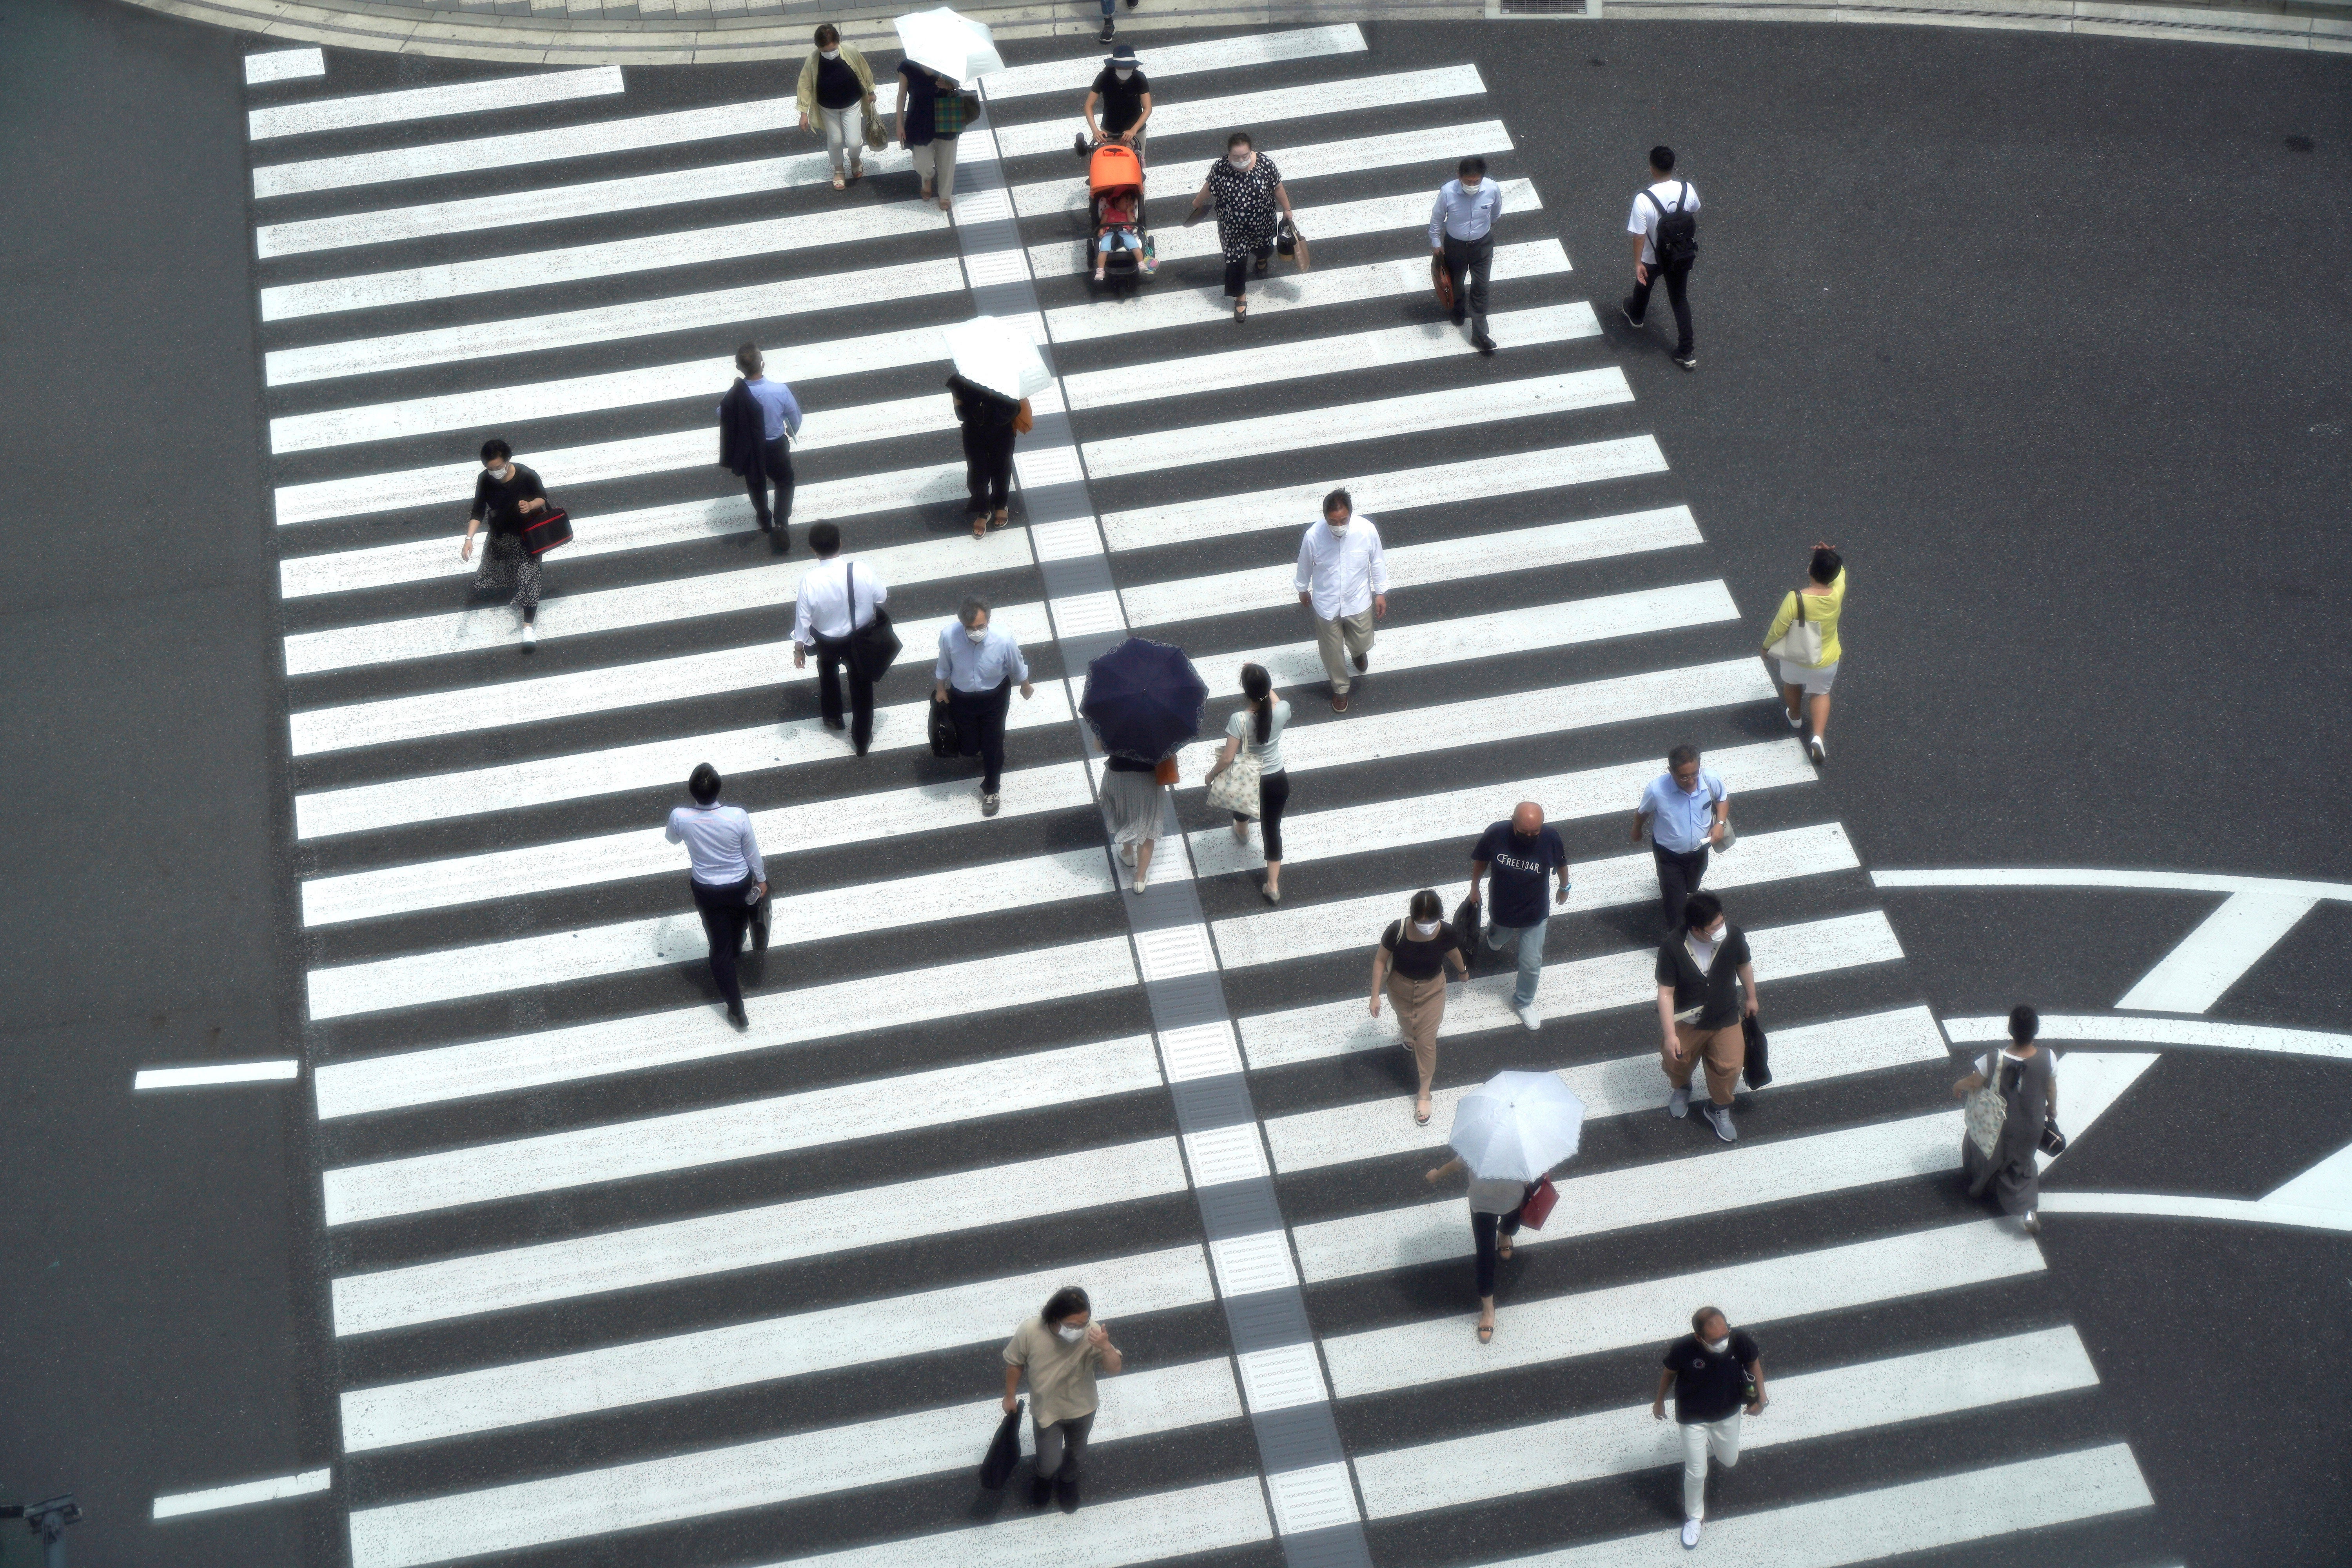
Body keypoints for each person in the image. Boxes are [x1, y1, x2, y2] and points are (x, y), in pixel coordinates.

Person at [1652, 1306, 1766, 1549]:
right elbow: (1669, 1373)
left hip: (1728, 1413)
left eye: (1726, 1335)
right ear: (1699, 1338)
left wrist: (1761, 1399)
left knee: (1729, 1460)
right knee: (1696, 1472)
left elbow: (1753, 1364)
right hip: (1693, 1418)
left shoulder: (1740, 1340)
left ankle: (1715, 1443)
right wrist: (1659, 1400)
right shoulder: (1683, 1349)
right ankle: (1695, 1517)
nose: (1723, 1342)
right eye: (1715, 1340)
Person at [1002, 1286, 1124, 1513]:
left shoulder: (1093, 1334)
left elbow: (1114, 1369)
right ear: (1055, 1317)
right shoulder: (1030, 1331)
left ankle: (1068, 1482)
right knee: (1049, 1462)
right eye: (1072, 1326)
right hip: (1047, 1410)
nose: (1078, 1330)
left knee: (1077, 1455)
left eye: (1083, 1324)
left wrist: (1106, 1347)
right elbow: (1015, 1363)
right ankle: (1044, 1479)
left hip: (1083, 1408)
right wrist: (1009, 1396)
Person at [665, 763, 767, 1029]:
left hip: (707, 889)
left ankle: (736, 1010)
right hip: (740, 885)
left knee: (717, 947)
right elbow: (751, 853)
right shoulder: (737, 817)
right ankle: (738, 944)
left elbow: (672, 840)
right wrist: (762, 880)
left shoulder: (680, 817)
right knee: (739, 921)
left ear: (692, 792)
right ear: (720, 788)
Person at [1655, 892, 1757, 1143]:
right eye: (1715, 927)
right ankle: (1682, 1087)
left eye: (1721, 922)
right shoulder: (1672, 947)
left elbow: (1743, 965)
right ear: (1697, 930)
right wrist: (1670, 1035)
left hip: (1725, 1016)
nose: (1722, 928)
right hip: (1688, 1022)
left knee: (1731, 1066)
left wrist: (1752, 997)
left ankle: (1718, 1108)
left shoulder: (1733, 936)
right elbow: (1666, 992)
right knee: (1677, 1061)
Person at [1952, 1004, 2057, 1237]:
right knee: (2023, 1166)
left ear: (2010, 1029)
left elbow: (1974, 1082)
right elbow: (2051, 1088)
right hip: (2031, 1125)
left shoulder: (1993, 1059)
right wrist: (2053, 1111)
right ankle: (2028, 1213)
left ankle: (1979, 1188)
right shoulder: (2048, 1057)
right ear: (2036, 1030)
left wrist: (1958, 1086)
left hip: (1999, 1126)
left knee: (1984, 1152)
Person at [1467, 802, 1570, 1031]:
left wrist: (1565, 887)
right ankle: (1495, 938)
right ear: (1513, 823)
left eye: (1536, 832)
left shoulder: (1551, 837)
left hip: (1535, 912)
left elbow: (1561, 864)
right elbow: (1481, 862)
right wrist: (1475, 887)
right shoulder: (1496, 833)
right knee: (1497, 938)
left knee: (1532, 963)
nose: (1531, 837)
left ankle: (1523, 1002)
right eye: (1525, 832)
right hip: (1502, 908)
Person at [1371, 890, 1468, 1125]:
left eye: (1432, 922)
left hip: (1432, 990)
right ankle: (1409, 1033)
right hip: (1400, 988)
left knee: (1426, 1041)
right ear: (1412, 916)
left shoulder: (1446, 932)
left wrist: (1463, 970)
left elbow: (1453, 952)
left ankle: (1424, 1092)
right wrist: (1375, 995)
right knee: (1407, 1024)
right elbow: (1381, 960)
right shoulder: (1398, 930)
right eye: (1421, 922)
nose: (1427, 927)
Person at [790, 522, 886, 755]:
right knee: (862, 687)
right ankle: (862, 739)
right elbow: (881, 597)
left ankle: (833, 717)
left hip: (826, 641)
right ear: (840, 543)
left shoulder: (810, 580)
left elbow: (803, 619)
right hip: (859, 638)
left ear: (813, 550)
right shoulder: (860, 570)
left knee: (828, 675)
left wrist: (799, 649)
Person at [934, 596, 1034, 817]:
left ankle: (991, 789)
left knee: (993, 743)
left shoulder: (1003, 639)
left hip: (994, 697)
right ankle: (979, 751)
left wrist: (1025, 686)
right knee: (968, 747)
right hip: (962, 697)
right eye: (970, 628)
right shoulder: (949, 637)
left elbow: (1017, 665)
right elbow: (943, 664)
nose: (976, 631)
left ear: (989, 620)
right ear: (962, 624)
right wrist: (941, 689)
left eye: (981, 626)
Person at [1203, 662, 1290, 902]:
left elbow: (1228, 757)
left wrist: (1211, 775)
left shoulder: (1239, 719)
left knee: (1241, 801)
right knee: (1272, 828)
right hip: (1277, 779)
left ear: (1244, 691)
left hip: (1250, 778)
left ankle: (1242, 830)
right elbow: (1273, 700)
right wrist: (1263, 679)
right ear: (1269, 688)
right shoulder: (1282, 710)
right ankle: (1273, 885)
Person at [1294, 488, 1387, 713]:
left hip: (1358, 601)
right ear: (1325, 518)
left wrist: (1380, 592)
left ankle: (1358, 651)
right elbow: (1304, 564)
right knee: (1331, 651)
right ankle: (1340, 689)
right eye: (1333, 521)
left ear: (1351, 515)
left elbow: (1377, 560)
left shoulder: (1366, 531)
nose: (1338, 525)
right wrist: (1302, 589)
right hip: (1327, 605)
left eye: (1343, 520)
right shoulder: (1314, 537)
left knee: (1363, 641)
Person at [1424, 1154, 1534, 1343]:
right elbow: (1457, 1163)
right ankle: (1488, 1308)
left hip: (1514, 1202)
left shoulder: (1523, 1148)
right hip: (1482, 1206)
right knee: (1485, 1256)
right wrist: (1438, 1175)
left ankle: (1504, 1234)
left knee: (1510, 1226)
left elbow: (1537, 1170)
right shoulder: (1480, 1146)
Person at [1186, 132, 1295, 322]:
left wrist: (1287, 209)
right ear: (1229, 155)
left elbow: (1278, 187)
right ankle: (1240, 298)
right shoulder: (1220, 168)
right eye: (1236, 157)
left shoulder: (1265, 164)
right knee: (1235, 263)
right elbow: (1209, 186)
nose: (1241, 160)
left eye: (1245, 156)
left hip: (1262, 222)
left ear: (1251, 151)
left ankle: (1262, 260)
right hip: (1232, 228)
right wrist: (1197, 202)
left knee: (1264, 249)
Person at [460, 437, 550, 648]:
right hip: (501, 534)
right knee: (502, 571)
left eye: (499, 468)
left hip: (528, 534)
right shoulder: (485, 480)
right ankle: (518, 591)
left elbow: (543, 498)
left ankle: (528, 627)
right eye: (490, 469)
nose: (495, 472)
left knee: (530, 578)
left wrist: (531, 505)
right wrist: (469, 539)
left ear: (509, 460)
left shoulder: (526, 475)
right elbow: (478, 511)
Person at [1632, 744, 1730, 936]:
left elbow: (1722, 799)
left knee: (1692, 886)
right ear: (1671, 772)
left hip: (1700, 850)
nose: (1691, 781)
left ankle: (1681, 892)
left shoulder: (1710, 779)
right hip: (1669, 855)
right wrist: (1636, 830)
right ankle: (1678, 943)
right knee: (1675, 903)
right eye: (1684, 777)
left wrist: (1719, 823)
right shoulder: (1657, 790)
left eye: (1694, 774)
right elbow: (1642, 812)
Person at [1763, 543, 1847, 766]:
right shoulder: (1836, 594)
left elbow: (1779, 627)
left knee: (1792, 684)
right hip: (1826, 659)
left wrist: (1766, 647)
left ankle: (1796, 716)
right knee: (1821, 693)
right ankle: (1818, 736)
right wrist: (1831, 557)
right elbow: (1840, 575)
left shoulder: (1796, 598)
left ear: (1810, 570)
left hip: (1796, 656)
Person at [717, 342, 802, 548]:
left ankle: (764, 518)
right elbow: (795, 416)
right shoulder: (780, 391)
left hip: (750, 449)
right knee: (784, 481)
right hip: (776, 445)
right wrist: (792, 431)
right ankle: (781, 522)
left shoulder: (736, 394)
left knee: (755, 482)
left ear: (739, 368)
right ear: (763, 364)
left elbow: (722, 414)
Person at [1622, 144, 1700, 371]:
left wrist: (1638, 264)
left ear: (1651, 168)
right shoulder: (1687, 189)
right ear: (1673, 166)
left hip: (1653, 254)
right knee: (1679, 299)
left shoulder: (1643, 200)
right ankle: (1687, 352)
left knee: (1644, 282)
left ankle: (1637, 316)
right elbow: (1694, 210)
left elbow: (1639, 236)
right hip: (1679, 254)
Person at [1430, 154, 1502, 355]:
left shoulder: (1492, 189)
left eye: (1476, 181)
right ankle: (1457, 308)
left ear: (1482, 178)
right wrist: (1436, 243)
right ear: (1459, 177)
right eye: (1468, 181)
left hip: (1482, 246)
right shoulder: (1448, 192)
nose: (1472, 185)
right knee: (1457, 282)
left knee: (1482, 286)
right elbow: (1437, 219)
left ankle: (1480, 334)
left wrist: (1485, 229)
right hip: (1455, 246)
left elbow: (1496, 212)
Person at [795, 24, 876, 189]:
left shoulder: (851, 52)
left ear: (839, 42)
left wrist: (870, 91)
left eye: (832, 50)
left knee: (854, 142)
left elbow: (864, 70)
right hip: (827, 108)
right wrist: (803, 113)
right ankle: (839, 170)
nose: (829, 54)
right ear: (818, 48)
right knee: (835, 140)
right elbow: (805, 86)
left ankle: (855, 159)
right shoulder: (812, 61)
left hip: (852, 104)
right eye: (825, 51)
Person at [949, 374, 1019, 537]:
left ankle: (1001, 504)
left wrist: (997, 413)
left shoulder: (1007, 376)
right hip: (973, 431)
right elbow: (960, 413)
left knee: (1001, 467)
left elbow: (1016, 407)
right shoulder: (959, 381)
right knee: (977, 471)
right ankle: (983, 510)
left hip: (1002, 430)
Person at [895, 60, 964, 213]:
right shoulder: (908, 67)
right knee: (922, 161)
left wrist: (950, 85)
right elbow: (902, 96)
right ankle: (927, 177)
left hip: (947, 115)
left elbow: (957, 87)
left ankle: (945, 194)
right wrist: (899, 124)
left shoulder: (949, 61)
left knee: (947, 159)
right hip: (919, 118)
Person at [1098, 753, 1163, 893]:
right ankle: (1140, 878)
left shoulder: (1112, 729)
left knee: (1123, 815)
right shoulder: (1158, 730)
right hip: (1146, 779)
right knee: (1147, 827)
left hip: (1116, 775)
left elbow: (1099, 747)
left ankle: (1128, 854)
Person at [1083, 44, 1151, 162]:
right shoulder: (1104, 77)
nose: (1125, 71)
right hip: (1109, 132)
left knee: (1136, 164)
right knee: (1112, 164)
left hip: (1136, 133)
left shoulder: (1139, 78)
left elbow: (1148, 108)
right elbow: (1089, 106)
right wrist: (1095, 131)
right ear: (1114, 66)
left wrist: (1133, 131)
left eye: (1128, 68)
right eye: (1121, 68)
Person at [1093, 185, 1142, 283]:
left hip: (1124, 231)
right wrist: (1101, 230)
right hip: (1109, 232)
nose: (1129, 205)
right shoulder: (1109, 211)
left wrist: (1128, 211)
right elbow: (1103, 222)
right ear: (1116, 202)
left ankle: (1141, 263)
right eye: (1126, 202)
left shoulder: (1129, 213)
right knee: (1104, 248)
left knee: (1134, 245)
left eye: (1131, 203)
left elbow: (1132, 225)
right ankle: (1101, 270)